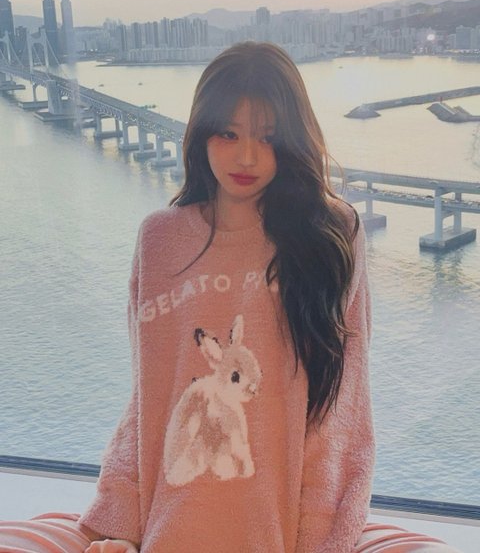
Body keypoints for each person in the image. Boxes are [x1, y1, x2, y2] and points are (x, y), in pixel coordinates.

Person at [0, 42, 461, 553]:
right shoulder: (159, 239)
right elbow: (148, 401)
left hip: (279, 534)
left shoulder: (330, 235)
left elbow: (342, 412)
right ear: (201, 133)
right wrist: (117, 530)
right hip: (169, 530)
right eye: (228, 133)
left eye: (268, 137)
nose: (247, 157)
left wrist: (320, 542)